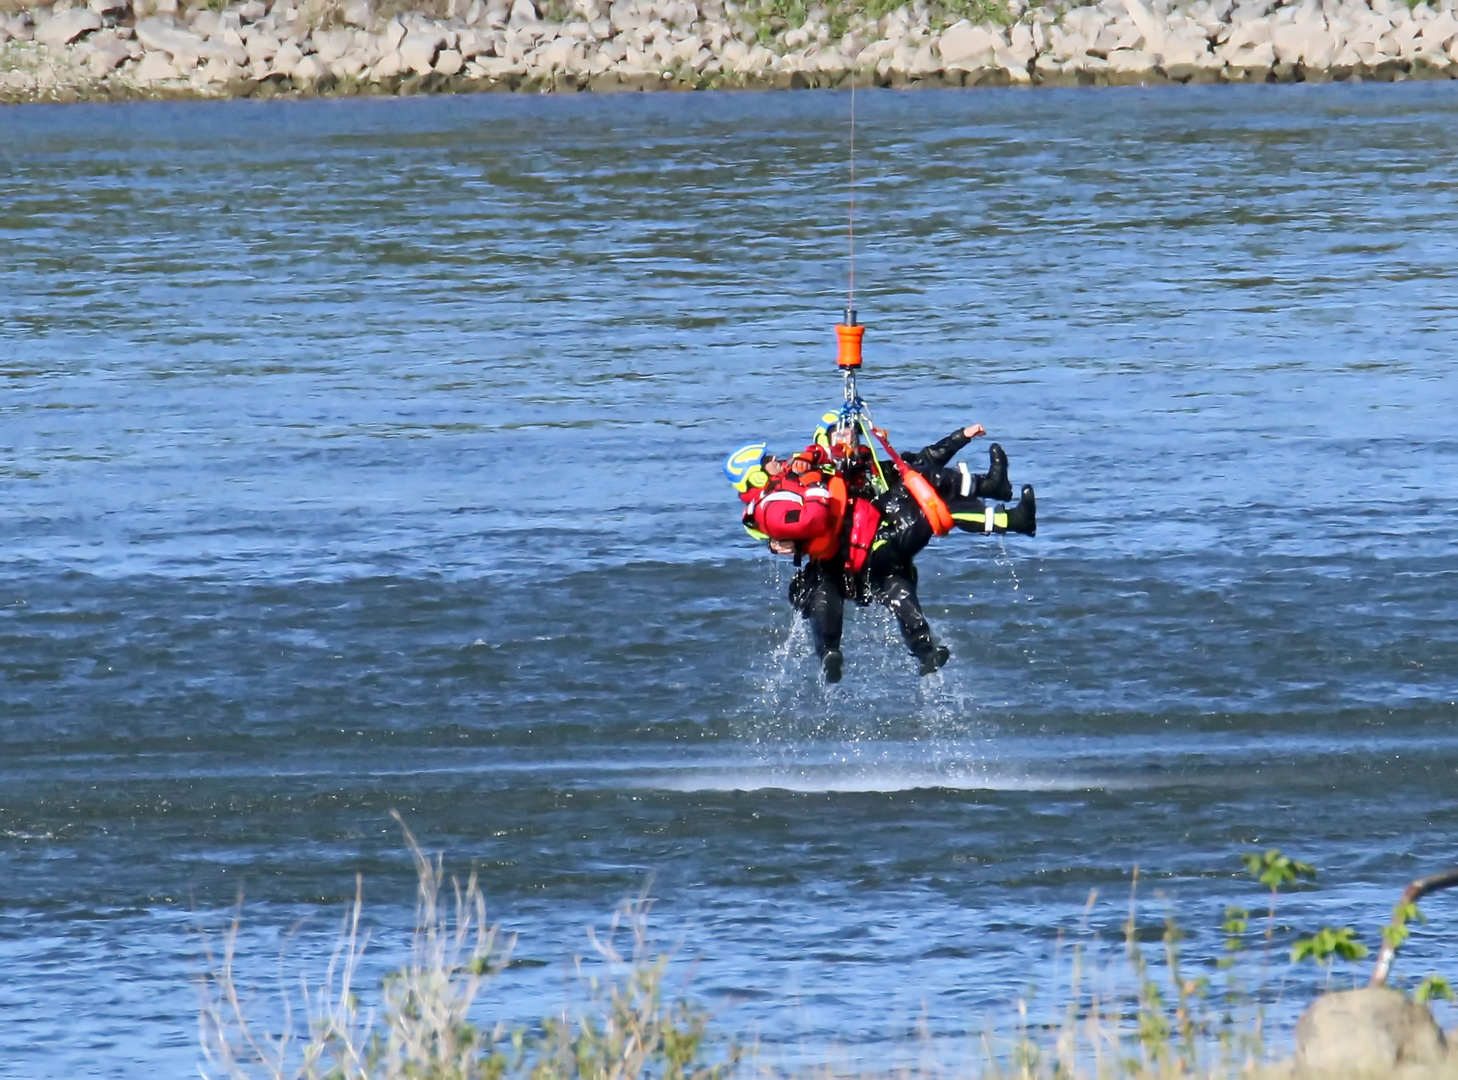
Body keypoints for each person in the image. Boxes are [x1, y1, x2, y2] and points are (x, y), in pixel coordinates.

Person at [727, 422, 1036, 682]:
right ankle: (829, 653)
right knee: (825, 593)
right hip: (846, 562)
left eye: (852, 432)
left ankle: (926, 652)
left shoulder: (870, 468)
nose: (849, 438)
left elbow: (927, 458)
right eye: (839, 433)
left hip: (882, 547)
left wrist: (961, 437)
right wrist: (779, 539)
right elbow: (787, 522)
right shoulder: (787, 493)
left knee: (933, 509)